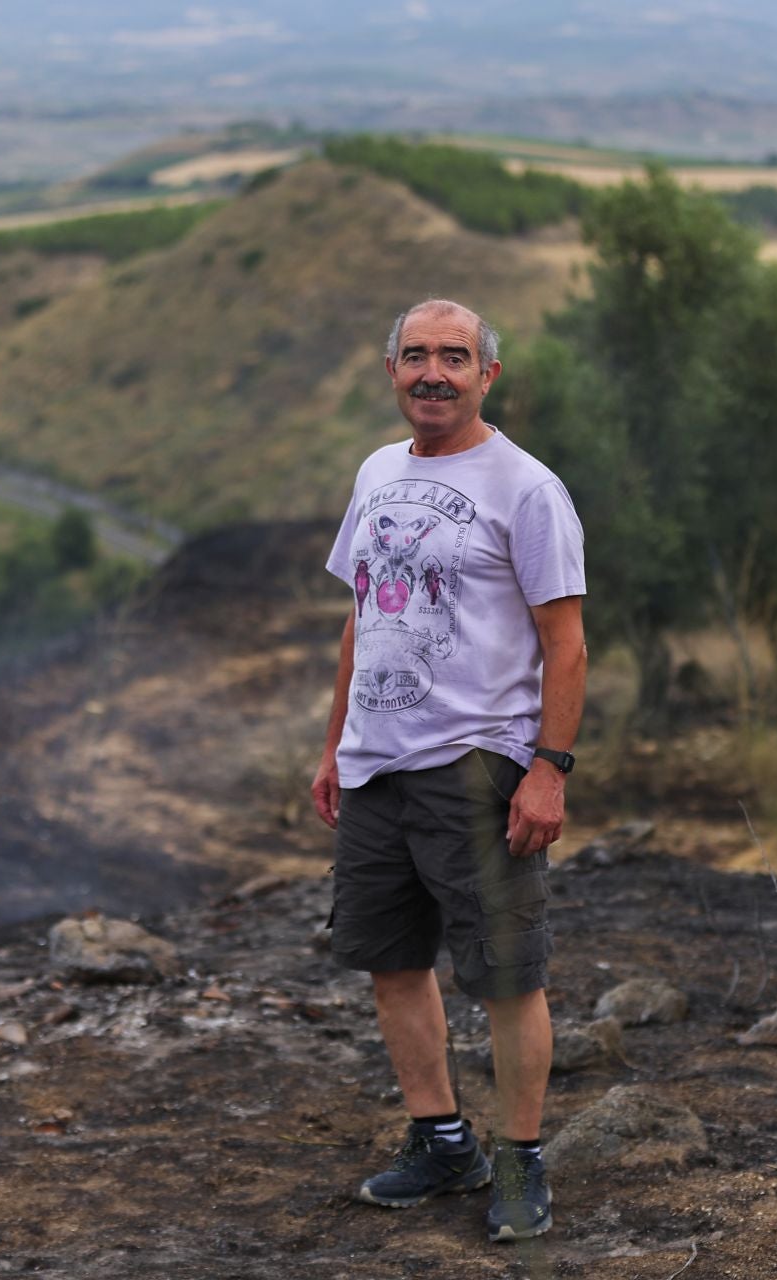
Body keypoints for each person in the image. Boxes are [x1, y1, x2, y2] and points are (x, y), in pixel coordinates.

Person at [311, 298, 587, 1242]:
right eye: (417, 355)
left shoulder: (527, 487)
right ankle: (443, 1141)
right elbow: (361, 616)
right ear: (391, 370)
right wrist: (334, 743)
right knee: (391, 961)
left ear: (487, 376)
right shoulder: (378, 471)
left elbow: (568, 643)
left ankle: (519, 1162)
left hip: (476, 765)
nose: (434, 372)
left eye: (454, 357)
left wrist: (547, 769)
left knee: (505, 973)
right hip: (375, 763)